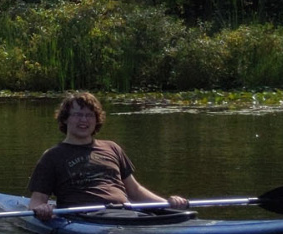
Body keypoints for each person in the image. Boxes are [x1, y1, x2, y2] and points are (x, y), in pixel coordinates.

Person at [28, 92, 187, 221]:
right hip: (86, 218)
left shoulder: (112, 148)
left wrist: (168, 204)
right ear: (65, 119)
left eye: (89, 115)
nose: (84, 120)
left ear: (96, 120)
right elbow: (37, 200)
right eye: (78, 114)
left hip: (125, 213)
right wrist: (40, 209)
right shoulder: (52, 156)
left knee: (180, 217)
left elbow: (135, 191)